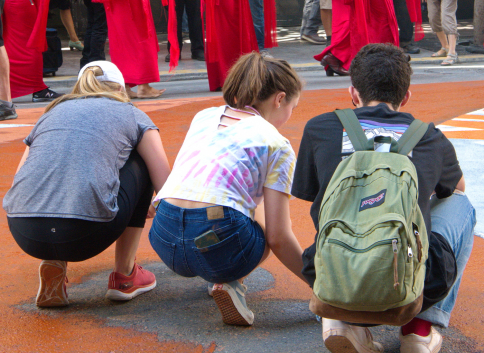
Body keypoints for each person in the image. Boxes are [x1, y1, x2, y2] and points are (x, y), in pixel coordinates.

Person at [292, 43, 475, 353]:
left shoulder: (319, 128)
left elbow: (314, 199)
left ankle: (340, 319)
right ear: (406, 97)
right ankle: (418, 329)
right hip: (410, 284)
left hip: (335, 274)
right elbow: (457, 188)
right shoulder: (429, 136)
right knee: (461, 205)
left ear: (353, 93)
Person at [150, 52, 306, 326]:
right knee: (261, 210)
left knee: (236, 196)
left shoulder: (203, 116)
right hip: (217, 244)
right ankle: (229, 279)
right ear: (280, 98)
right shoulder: (276, 143)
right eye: (292, 106)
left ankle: (223, 276)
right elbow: (279, 237)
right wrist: (321, 286)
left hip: (166, 238)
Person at [3, 60, 172, 307]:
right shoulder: (132, 113)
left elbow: (21, 176)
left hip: (25, 231)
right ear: (121, 89)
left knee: (56, 170)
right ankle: (125, 275)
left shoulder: (51, 113)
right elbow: (166, 186)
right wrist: (150, 204)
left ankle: (54, 262)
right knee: (142, 158)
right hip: (85, 234)